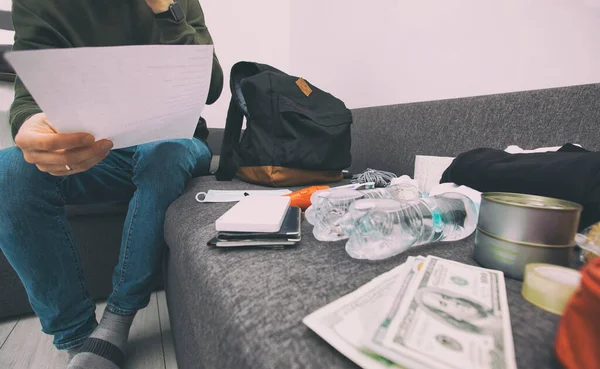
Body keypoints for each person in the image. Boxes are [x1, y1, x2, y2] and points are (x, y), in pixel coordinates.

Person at [0, 1, 223, 368]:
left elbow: (212, 86)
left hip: (176, 143)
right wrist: (28, 125)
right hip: (100, 150)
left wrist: (166, 11)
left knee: (161, 153)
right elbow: (28, 98)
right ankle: (78, 339)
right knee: (8, 173)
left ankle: (117, 320)